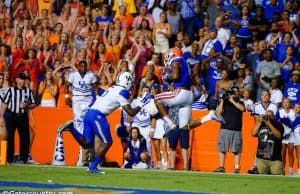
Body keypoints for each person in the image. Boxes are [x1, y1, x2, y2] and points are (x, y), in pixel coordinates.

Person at [58, 72, 150, 174]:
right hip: (97, 115)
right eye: (131, 82)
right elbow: (131, 112)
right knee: (107, 142)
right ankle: (92, 167)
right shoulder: (123, 91)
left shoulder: (113, 88)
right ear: (127, 82)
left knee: (87, 144)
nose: (132, 84)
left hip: (89, 113)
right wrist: (142, 103)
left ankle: (71, 128)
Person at [65, 60, 98, 167]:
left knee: (89, 123)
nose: (83, 67)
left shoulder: (90, 75)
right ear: (78, 66)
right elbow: (67, 85)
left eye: (85, 66)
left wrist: (97, 98)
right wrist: (66, 97)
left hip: (88, 100)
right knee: (79, 123)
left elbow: (95, 86)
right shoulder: (73, 75)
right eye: (81, 66)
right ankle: (82, 152)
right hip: (77, 99)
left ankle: (88, 155)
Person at [0, 72, 36, 164]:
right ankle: (9, 159)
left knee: (25, 138)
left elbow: (33, 104)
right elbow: (5, 104)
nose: (22, 81)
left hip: (23, 116)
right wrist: (1, 117)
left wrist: (26, 106)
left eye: (24, 79)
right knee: (10, 137)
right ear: (16, 80)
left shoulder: (28, 91)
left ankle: (24, 159)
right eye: (20, 79)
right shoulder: (11, 90)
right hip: (11, 115)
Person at [213, 86, 245, 173]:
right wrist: (223, 100)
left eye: (235, 92)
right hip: (225, 128)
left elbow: (242, 109)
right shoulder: (225, 102)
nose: (233, 94)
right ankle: (221, 167)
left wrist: (232, 100)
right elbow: (218, 112)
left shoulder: (241, 102)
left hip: (236, 130)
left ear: (238, 93)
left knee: (237, 150)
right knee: (222, 148)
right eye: (232, 92)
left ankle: (237, 168)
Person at [251, 110, 284, 175]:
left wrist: (269, 124)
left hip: (275, 158)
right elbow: (253, 133)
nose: (268, 118)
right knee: (261, 177)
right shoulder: (261, 125)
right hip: (261, 158)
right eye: (266, 116)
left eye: (270, 116)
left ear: (273, 117)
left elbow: (278, 136)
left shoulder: (278, 125)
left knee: (277, 176)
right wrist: (259, 122)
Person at [292, 103, 300, 175]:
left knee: (299, 154)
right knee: (297, 154)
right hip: (294, 137)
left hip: (298, 137)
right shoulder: (292, 117)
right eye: (295, 107)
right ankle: (298, 170)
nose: (296, 109)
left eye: (298, 107)